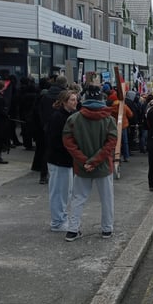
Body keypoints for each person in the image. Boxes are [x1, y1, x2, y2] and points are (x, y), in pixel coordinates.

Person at [62, 85, 118, 241]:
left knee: (78, 198)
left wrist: (84, 161)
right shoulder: (109, 119)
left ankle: (73, 230)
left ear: (84, 99)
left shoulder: (73, 119)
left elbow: (68, 142)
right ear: (101, 98)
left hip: (81, 167)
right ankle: (107, 229)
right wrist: (96, 160)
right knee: (107, 198)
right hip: (103, 166)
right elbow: (111, 143)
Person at [46, 90, 78, 231]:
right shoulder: (58, 117)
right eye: (72, 99)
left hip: (64, 159)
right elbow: (55, 140)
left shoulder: (67, 116)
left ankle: (61, 219)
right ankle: (57, 222)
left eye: (75, 99)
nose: (75, 102)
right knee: (59, 192)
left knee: (65, 192)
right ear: (65, 102)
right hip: (59, 160)